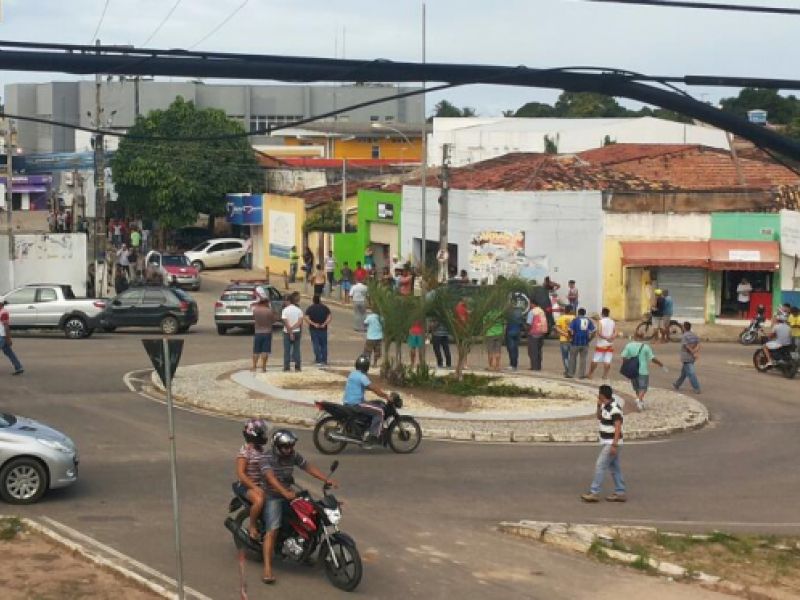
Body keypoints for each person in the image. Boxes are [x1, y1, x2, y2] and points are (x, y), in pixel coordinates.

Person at [260, 429, 337, 584]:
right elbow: (271, 478)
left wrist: (325, 479)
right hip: (273, 496)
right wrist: (284, 492)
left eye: (291, 446)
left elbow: (307, 466)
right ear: (277, 446)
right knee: (272, 530)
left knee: (309, 517)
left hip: (289, 493)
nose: (289, 449)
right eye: (285, 446)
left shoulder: (293, 455)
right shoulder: (266, 457)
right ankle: (267, 569)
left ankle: (304, 551)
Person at [580, 385, 626, 503]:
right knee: (614, 468)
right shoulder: (606, 406)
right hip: (608, 442)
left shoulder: (614, 409)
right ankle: (620, 492)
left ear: (601, 395)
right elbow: (599, 417)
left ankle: (594, 492)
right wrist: (598, 406)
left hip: (611, 443)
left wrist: (614, 445)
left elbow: (618, 427)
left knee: (600, 465)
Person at [343, 355, 391, 445]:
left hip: (347, 403)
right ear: (366, 367)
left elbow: (366, 386)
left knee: (374, 403)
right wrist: (386, 396)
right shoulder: (362, 377)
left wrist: (375, 390)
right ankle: (373, 436)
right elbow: (373, 388)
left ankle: (366, 428)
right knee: (380, 411)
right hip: (357, 404)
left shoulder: (352, 374)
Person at [235, 418, 269, 542]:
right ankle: (252, 525)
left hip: (260, 484)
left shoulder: (261, 450)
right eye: (262, 433)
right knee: (259, 500)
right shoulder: (245, 451)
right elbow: (241, 474)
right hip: (246, 486)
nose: (264, 435)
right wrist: (255, 488)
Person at [620, 339, 666, 411]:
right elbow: (652, 358)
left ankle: (640, 403)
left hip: (633, 371)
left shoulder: (629, 345)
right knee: (643, 388)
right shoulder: (646, 347)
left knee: (637, 388)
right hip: (643, 370)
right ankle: (639, 399)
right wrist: (660, 364)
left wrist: (627, 366)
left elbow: (624, 356)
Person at [252, 287, 277, 372]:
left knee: (256, 351)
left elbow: (254, 318)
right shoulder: (269, 311)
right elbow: (273, 320)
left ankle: (254, 367)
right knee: (265, 351)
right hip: (267, 332)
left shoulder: (255, 310)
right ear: (266, 302)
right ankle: (263, 367)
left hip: (257, 332)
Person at [588, 308, 616, 380]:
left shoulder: (600, 322)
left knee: (595, 360)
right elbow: (615, 332)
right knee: (607, 361)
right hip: (609, 344)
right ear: (608, 313)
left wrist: (606, 338)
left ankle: (590, 374)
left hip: (601, 344)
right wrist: (611, 338)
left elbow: (599, 333)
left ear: (602, 313)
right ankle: (605, 375)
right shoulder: (612, 322)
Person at [673, 321, 701, 393]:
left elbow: (686, 346)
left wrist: (692, 352)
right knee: (684, 373)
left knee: (691, 373)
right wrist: (695, 352)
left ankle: (697, 388)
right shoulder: (694, 335)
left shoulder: (684, 336)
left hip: (686, 357)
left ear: (684, 328)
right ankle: (677, 384)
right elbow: (698, 344)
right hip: (692, 358)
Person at [567, 308, 595, 379]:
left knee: (572, 358)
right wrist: (590, 339)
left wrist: (570, 337)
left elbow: (569, 330)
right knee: (583, 359)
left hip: (575, 342)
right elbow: (594, 331)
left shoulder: (575, 320)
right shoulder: (588, 320)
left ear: (578, 313)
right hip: (585, 342)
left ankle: (571, 374)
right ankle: (581, 375)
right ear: (584, 313)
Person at [304, 294, 332, 366]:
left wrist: (313, 324)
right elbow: (329, 317)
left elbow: (306, 318)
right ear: (320, 300)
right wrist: (325, 324)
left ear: (313, 300)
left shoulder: (310, 308)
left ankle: (318, 359)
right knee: (324, 345)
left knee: (316, 344)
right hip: (323, 329)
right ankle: (324, 360)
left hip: (314, 329)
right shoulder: (325, 308)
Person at [0, 298, 24, 375]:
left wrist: (8, 338)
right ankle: (19, 367)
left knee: (9, 352)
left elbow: (6, 326)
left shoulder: (3, 313)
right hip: (2, 336)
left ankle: (19, 367)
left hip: (2, 336)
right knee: (9, 352)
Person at [281, 292, 303, 372]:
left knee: (287, 350)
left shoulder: (285, 310)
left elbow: (285, 322)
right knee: (297, 349)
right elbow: (299, 322)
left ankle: (286, 367)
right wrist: (293, 328)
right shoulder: (299, 310)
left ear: (288, 301)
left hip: (287, 332)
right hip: (297, 331)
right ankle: (298, 367)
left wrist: (290, 331)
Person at [526, 299, 548, 371]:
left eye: (530, 304)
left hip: (533, 333)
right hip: (541, 333)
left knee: (532, 351)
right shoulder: (541, 311)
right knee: (539, 350)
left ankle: (534, 367)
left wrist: (527, 331)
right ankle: (538, 366)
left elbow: (529, 323)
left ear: (533, 304)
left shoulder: (532, 312)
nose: (530, 305)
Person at [555, 305, 575, 376]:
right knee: (572, 356)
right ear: (571, 310)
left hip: (563, 340)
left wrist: (565, 334)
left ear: (565, 310)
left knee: (565, 356)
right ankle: (572, 370)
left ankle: (567, 371)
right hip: (573, 340)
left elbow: (557, 328)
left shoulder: (561, 318)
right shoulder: (574, 318)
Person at [505, 302, 524, 371]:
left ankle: (512, 365)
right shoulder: (519, 312)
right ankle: (515, 364)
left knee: (511, 349)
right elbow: (521, 323)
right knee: (515, 349)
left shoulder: (509, 313)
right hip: (517, 332)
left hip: (510, 332)